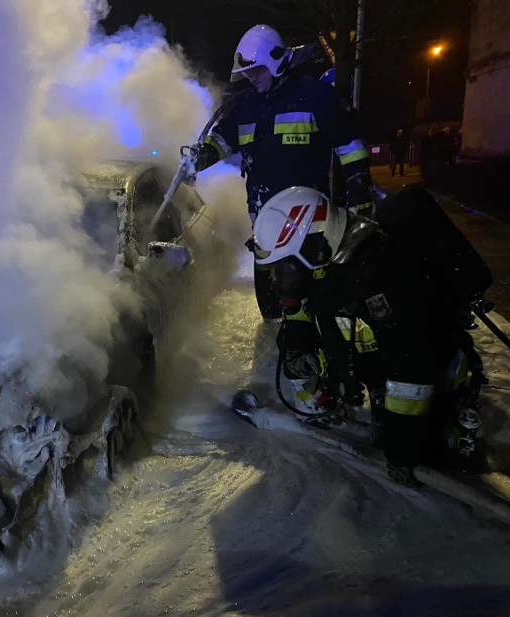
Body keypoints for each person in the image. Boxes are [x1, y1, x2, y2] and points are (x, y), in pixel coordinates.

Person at [250, 185, 489, 486]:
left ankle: (455, 421)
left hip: (430, 372)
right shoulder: (323, 269)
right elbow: (302, 307)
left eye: (282, 271)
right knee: (389, 434)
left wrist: (402, 450)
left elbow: (411, 367)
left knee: (435, 458)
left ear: (314, 248)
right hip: (384, 369)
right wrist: (297, 344)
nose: (277, 282)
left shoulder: (384, 274)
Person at [186, 24, 375, 320]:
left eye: (257, 71)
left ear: (275, 62)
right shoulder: (244, 107)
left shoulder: (316, 96)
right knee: (273, 310)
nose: (252, 78)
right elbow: (222, 139)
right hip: (264, 224)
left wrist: (359, 183)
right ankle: (284, 346)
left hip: (309, 225)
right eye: (248, 73)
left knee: (312, 301)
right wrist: (204, 155)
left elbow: (349, 143)